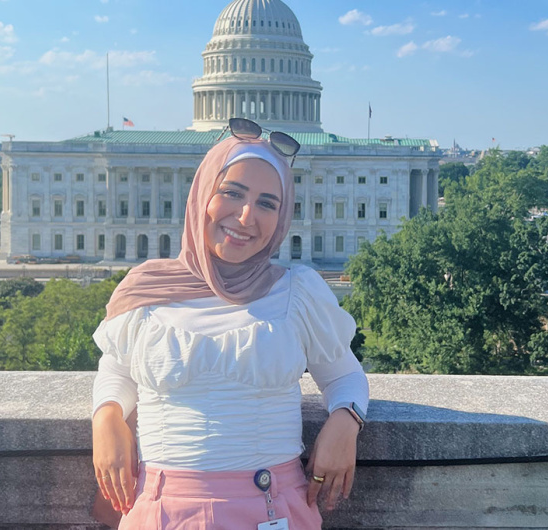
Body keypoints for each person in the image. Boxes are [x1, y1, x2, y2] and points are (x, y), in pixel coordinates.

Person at [91, 118, 369, 529]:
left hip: (272, 507)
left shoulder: (298, 292)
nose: (244, 217)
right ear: (203, 193)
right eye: (232, 193)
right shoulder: (147, 288)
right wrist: (107, 417)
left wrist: (346, 423)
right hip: (162, 509)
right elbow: (116, 369)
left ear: (282, 215)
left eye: (267, 203)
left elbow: (344, 375)